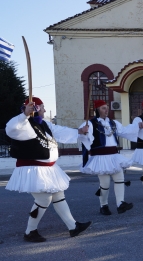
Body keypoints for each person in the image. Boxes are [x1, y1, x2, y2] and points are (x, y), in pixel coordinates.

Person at [6, 97, 92, 242]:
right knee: (44, 198)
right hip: (33, 169)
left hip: (48, 169)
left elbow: (60, 131)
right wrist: (24, 114)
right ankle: (30, 231)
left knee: (58, 194)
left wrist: (79, 131)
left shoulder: (44, 124)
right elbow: (10, 128)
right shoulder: (24, 125)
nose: (45, 110)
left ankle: (73, 226)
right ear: (36, 108)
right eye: (43, 107)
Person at [79, 100, 143, 215]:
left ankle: (120, 204)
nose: (106, 110)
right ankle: (103, 205)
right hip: (100, 157)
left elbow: (124, 131)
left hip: (114, 156)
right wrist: (84, 133)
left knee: (119, 179)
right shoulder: (91, 123)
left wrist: (138, 125)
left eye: (107, 107)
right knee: (105, 184)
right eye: (103, 108)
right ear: (97, 110)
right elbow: (83, 136)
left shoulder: (113, 123)